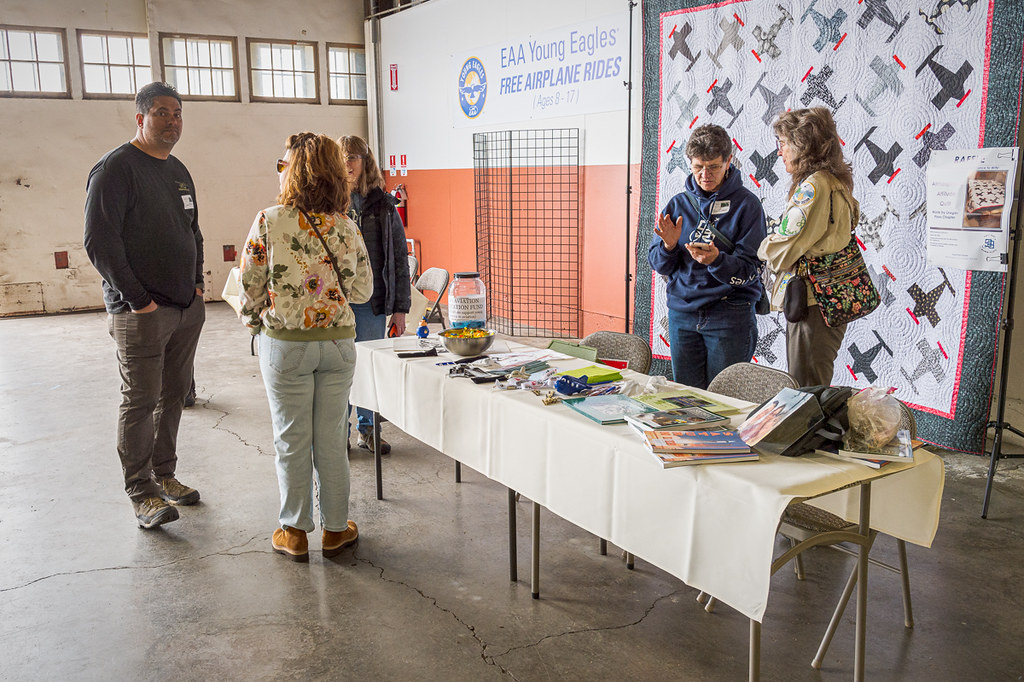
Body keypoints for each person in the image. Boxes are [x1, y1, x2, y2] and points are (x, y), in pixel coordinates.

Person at [238, 132, 373, 562]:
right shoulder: (346, 226)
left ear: (291, 172)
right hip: (337, 345)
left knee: (290, 438)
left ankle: (294, 533)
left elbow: (248, 288)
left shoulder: (269, 220)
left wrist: (256, 318)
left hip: (286, 347)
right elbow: (364, 290)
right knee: (332, 438)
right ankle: (336, 530)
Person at [84, 82, 206, 529]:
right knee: (141, 399)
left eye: (177, 113)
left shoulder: (177, 169)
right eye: (160, 112)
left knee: (173, 395)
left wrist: (196, 285)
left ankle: (165, 475)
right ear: (140, 118)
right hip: (140, 313)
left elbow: (192, 229)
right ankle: (141, 493)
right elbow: (99, 241)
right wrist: (139, 301)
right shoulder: (116, 169)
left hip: (185, 307)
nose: (171, 120)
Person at [649, 124, 766, 389]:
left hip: (729, 315)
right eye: (698, 167)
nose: (705, 175)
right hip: (682, 316)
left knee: (725, 401)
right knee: (686, 400)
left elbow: (752, 269)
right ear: (689, 163)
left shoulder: (747, 205)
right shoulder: (678, 204)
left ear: (728, 161)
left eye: (713, 166)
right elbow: (658, 264)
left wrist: (717, 260)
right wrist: (668, 247)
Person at [758, 108, 860, 387]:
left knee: (805, 388)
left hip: (814, 302)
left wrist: (761, 248)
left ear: (802, 146)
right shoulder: (836, 181)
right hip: (828, 298)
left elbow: (783, 248)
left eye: (784, 144)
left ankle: (811, 433)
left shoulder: (813, 187)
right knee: (812, 382)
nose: (780, 152)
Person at [338, 135, 411, 455]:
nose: (349, 163)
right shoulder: (328, 201)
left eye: (355, 157)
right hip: (335, 303)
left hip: (372, 303)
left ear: (367, 162)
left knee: (367, 369)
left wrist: (400, 309)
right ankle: (338, 432)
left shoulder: (384, 206)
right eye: (343, 157)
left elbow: (398, 259)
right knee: (337, 371)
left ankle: (368, 430)